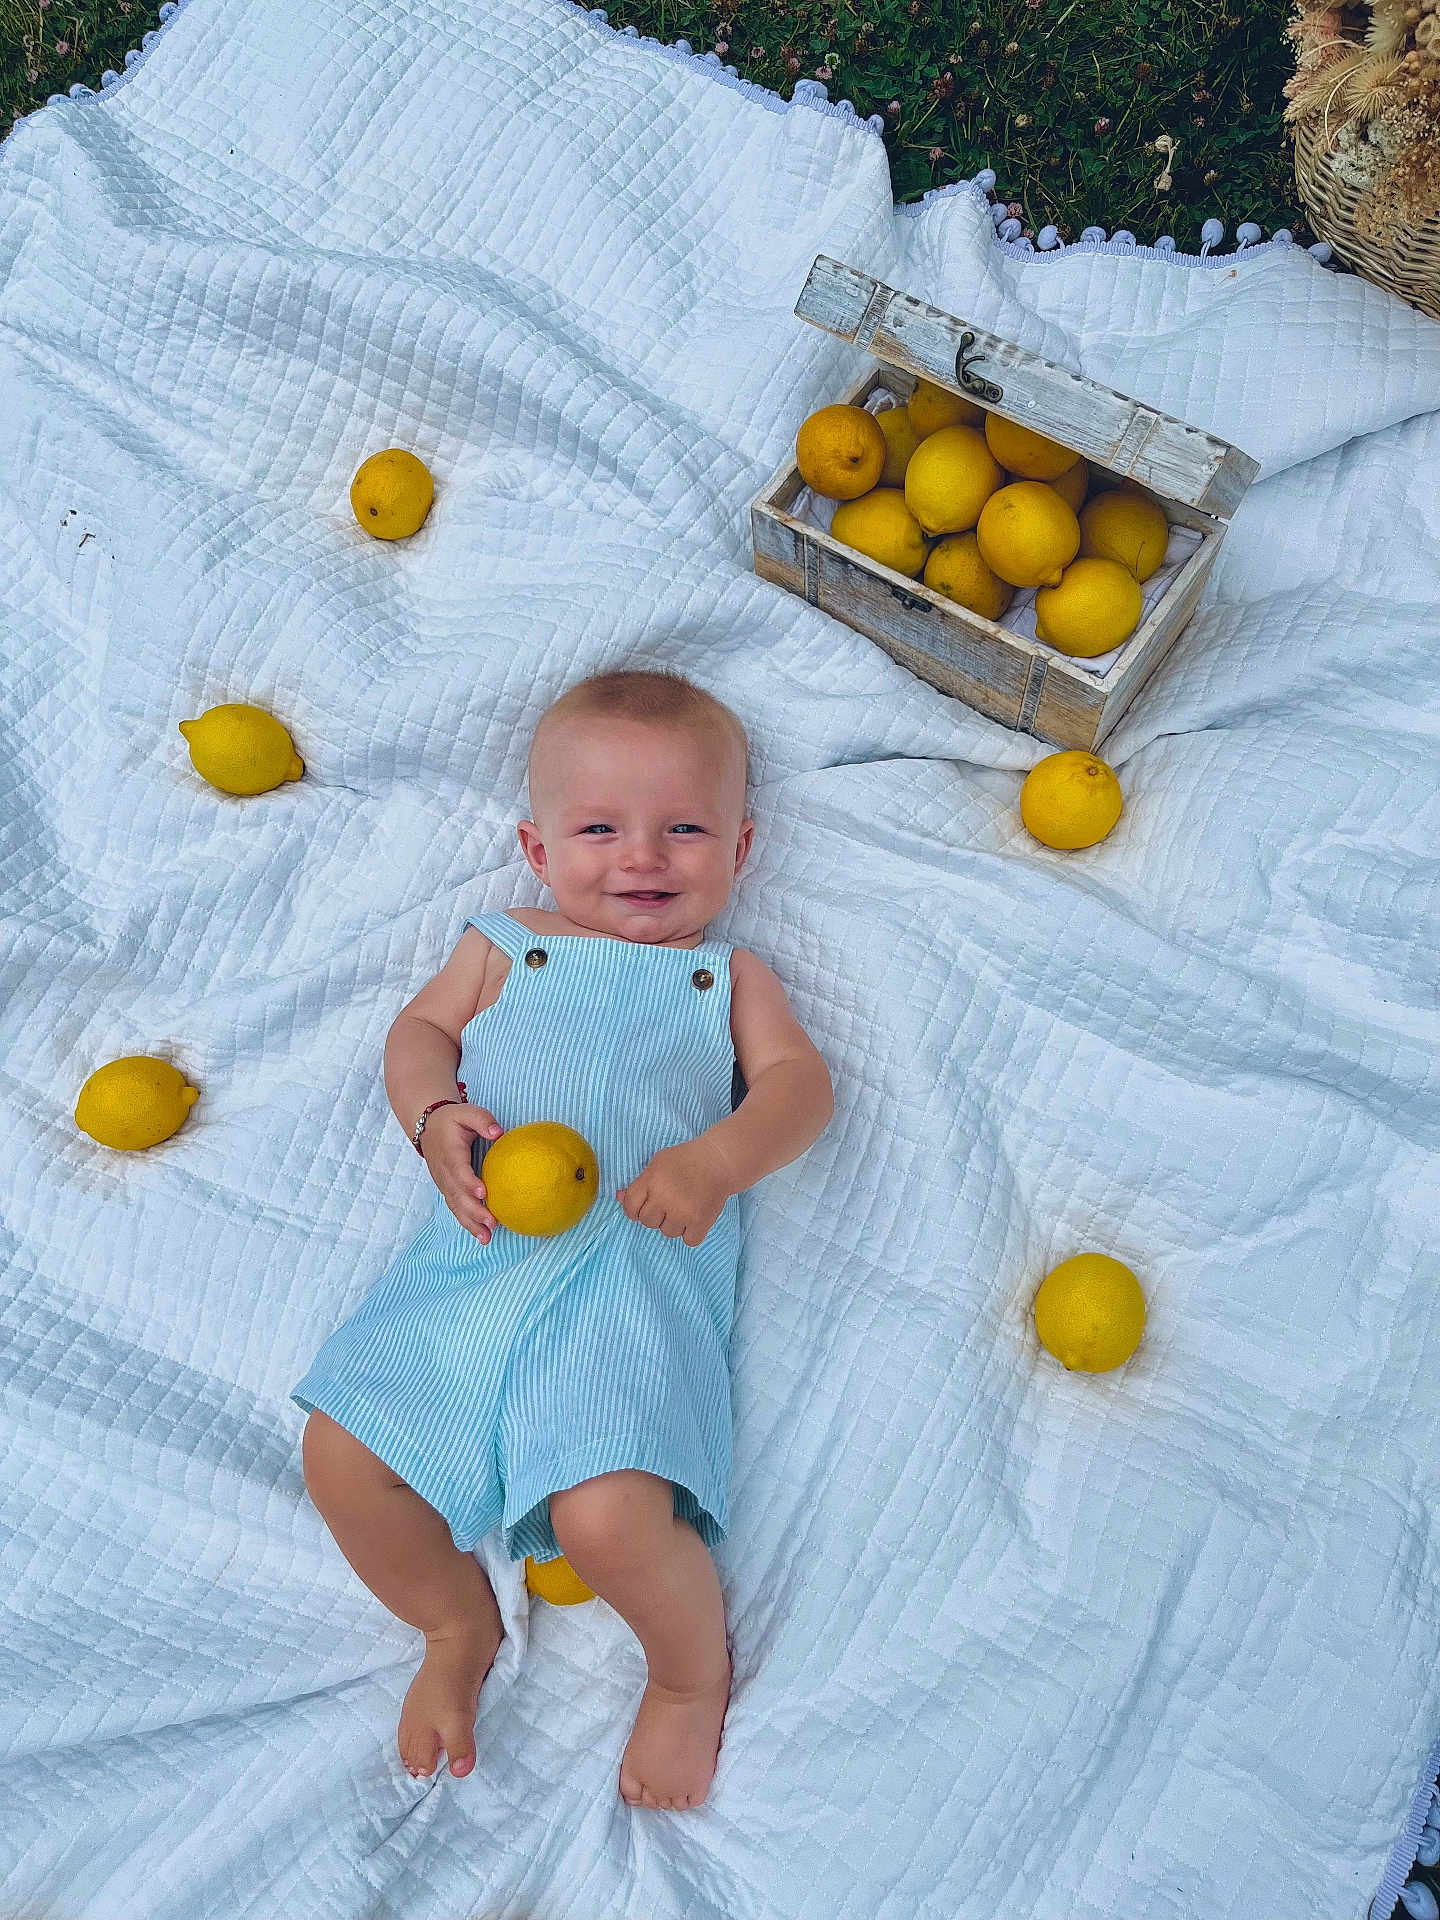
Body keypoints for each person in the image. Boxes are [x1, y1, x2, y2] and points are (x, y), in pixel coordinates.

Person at [292, 666, 834, 1810]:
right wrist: (435, 1118)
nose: (641, 857)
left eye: (683, 830)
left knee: (606, 1518)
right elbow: (419, 1034)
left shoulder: (726, 977)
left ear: (742, 851)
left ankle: (688, 1679)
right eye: (600, 829)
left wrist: (719, 1158)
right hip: (475, 1263)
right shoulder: (502, 943)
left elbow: (800, 1089)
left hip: (629, 1287)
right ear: (536, 851)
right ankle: (454, 1622)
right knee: (340, 1457)